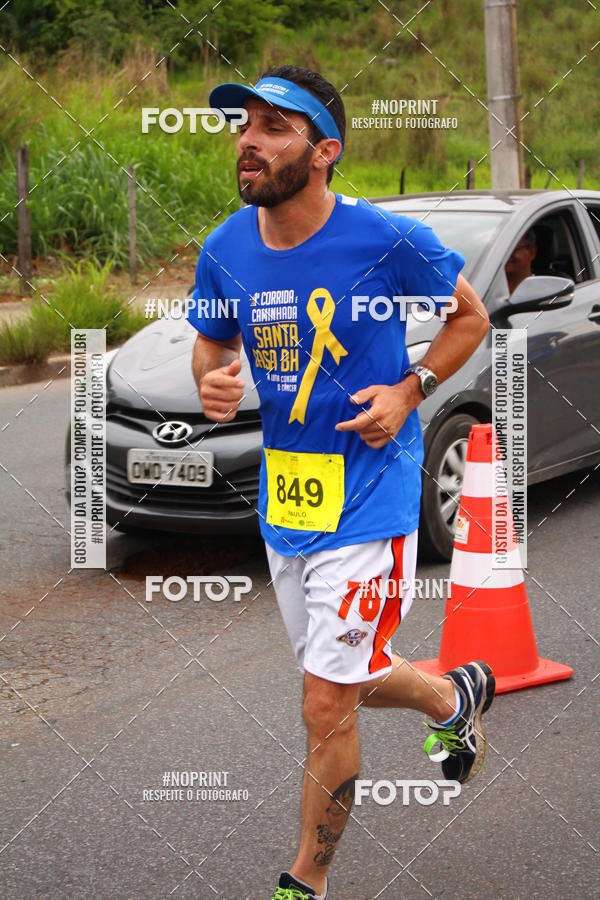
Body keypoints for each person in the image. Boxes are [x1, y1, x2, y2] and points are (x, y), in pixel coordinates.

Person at [189, 65, 495, 900]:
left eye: (275, 127)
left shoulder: (385, 240)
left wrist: (410, 391)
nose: (249, 139)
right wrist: (213, 382)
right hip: (288, 499)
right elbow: (211, 352)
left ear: (324, 152)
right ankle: (452, 696)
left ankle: (305, 883)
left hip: (372, 495)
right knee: (351, 674)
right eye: (243, 123)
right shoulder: (226, 249)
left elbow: (470, 318)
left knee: (325, 701)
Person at [505, 227, 537, 294]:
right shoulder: (484, 289)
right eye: (503, 249)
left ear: (532, 252)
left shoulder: (543, 293)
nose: (506, 254)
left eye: (512, 248)